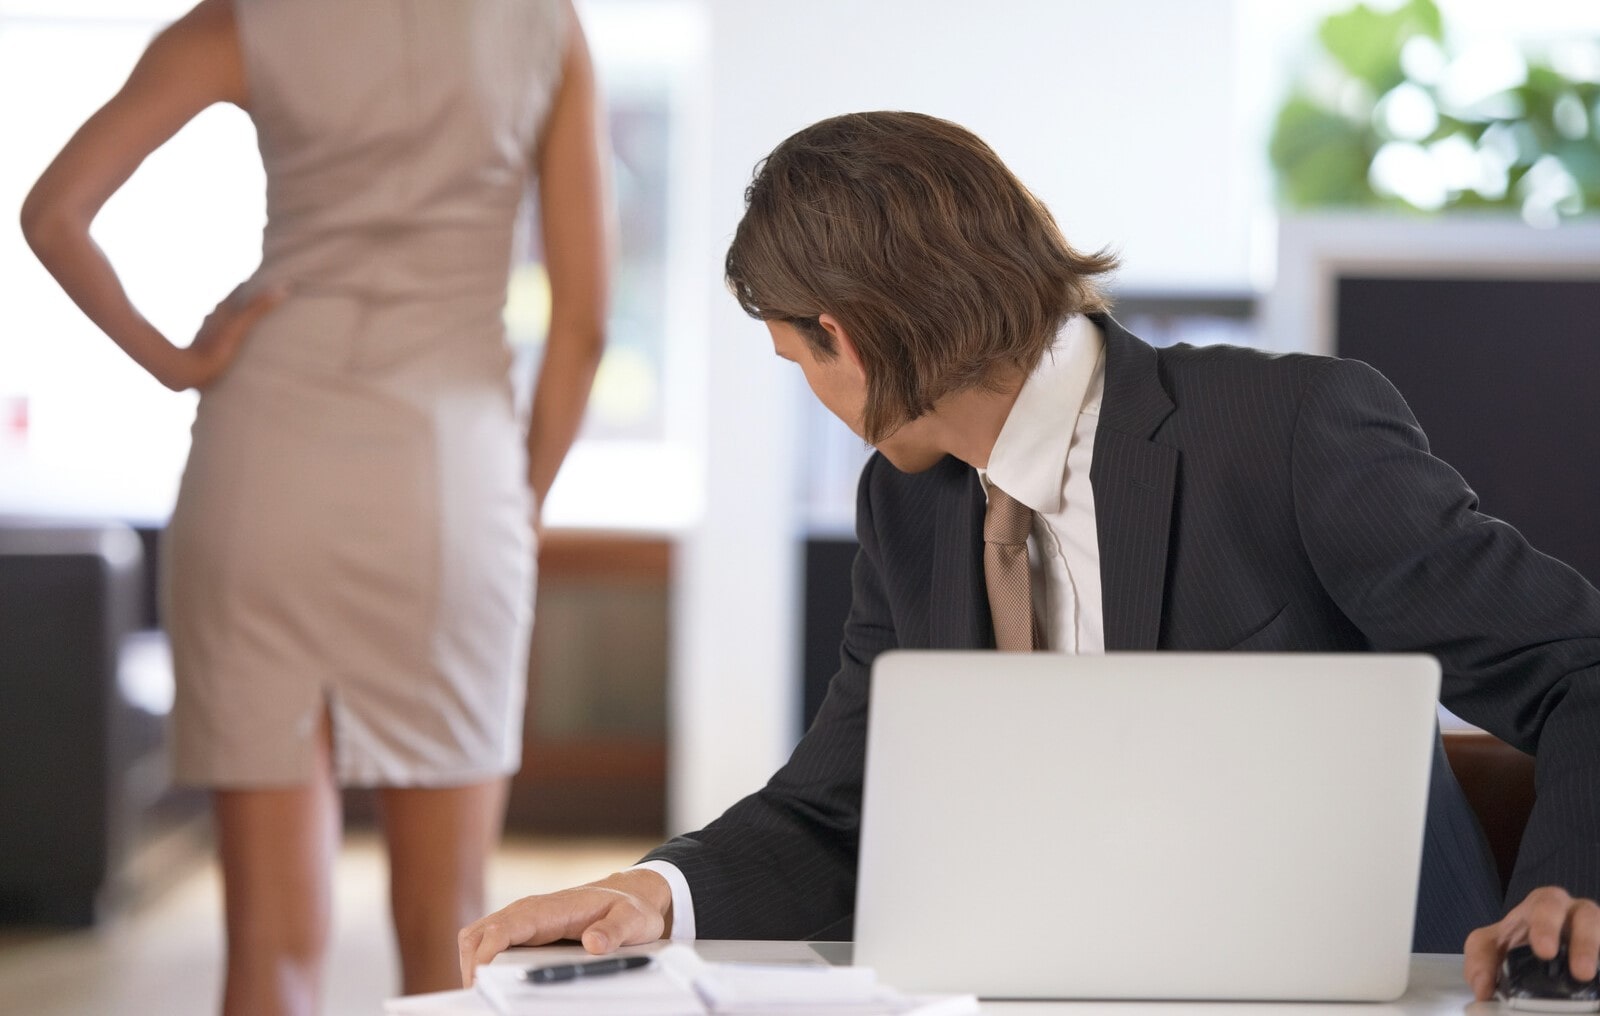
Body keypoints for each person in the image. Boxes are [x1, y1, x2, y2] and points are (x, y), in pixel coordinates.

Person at [456, 112, 1600, 999]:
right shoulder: (907, 508)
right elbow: (841, 806)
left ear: (842, 335)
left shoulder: (1283, 432)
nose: (812, 391)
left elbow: (1576, 668)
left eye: (792, 355)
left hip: (1376, 995)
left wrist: (1567, 891)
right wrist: (646, 893)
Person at [21, 0, 607, 1011]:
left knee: (269, 951)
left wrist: (177, 361)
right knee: (449, 938)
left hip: (266, 464)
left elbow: (54, 212)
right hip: (448, 475)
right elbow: (585, 322)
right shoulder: (542, 23)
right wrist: (519, 502)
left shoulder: (248, 17)